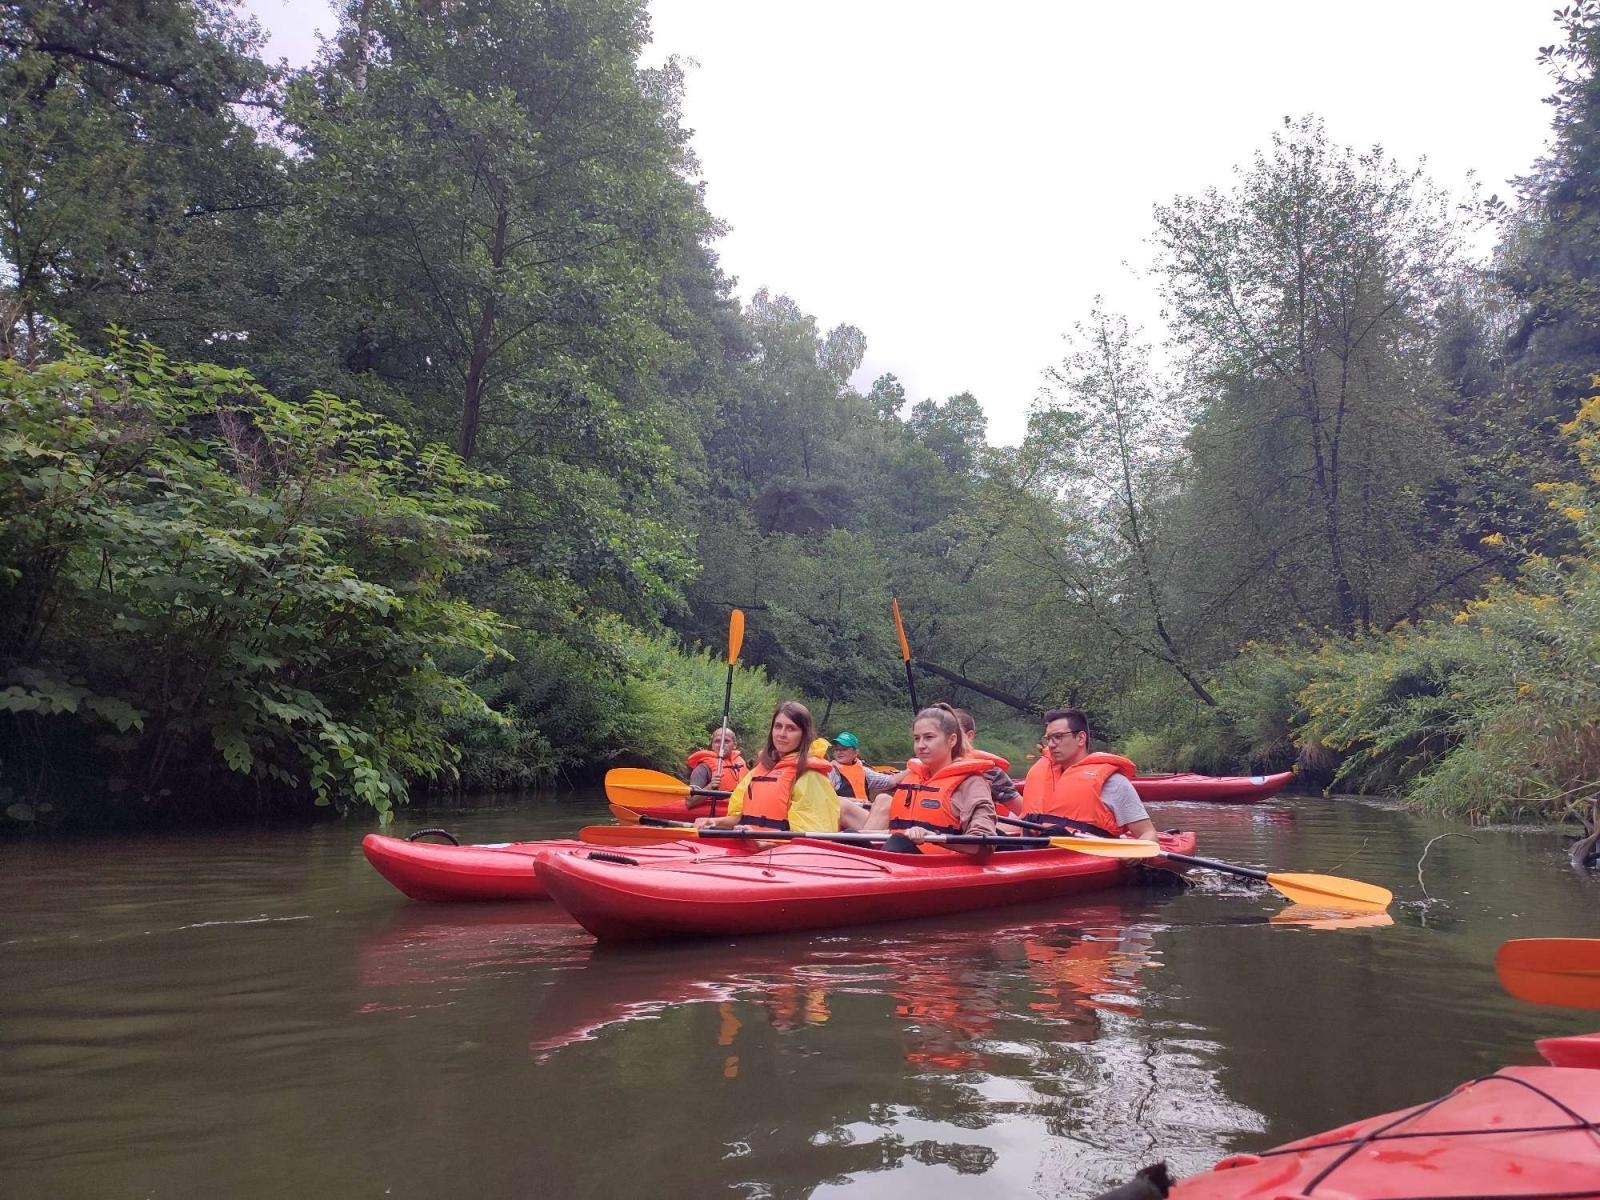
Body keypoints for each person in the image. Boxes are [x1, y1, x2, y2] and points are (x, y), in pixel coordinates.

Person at [863, 702, 996, 854]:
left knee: (898, 842)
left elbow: (984, 845)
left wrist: (934, 837)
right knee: (850, 836)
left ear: (951, 740)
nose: (920, 745)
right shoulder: (913, 776)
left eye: (929, 737)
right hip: (899, 863)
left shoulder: (971, 783)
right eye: (917, 738)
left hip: (942, 868)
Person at [695, 701, 839, 834]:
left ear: (803, 735)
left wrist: (763, 840)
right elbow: (740, 818)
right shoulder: (760, 769)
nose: (781, 734)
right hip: (751, 848)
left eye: (791, 728)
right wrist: (714, 821)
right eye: (778, 726)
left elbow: (810, 836)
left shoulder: (809, 775)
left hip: (780, 855)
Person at [1018, 708, 1155, 841]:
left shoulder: (1114, 782)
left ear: (1081, 738)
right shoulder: (1041, 774)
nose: (1051, 745)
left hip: (1082, 855)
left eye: (1058, 737)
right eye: (1048, 739)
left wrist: (1135, 854)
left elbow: (1148, 834)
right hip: (1032, 851)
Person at [953, 708, 1021, 809]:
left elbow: (1023, 813)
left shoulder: (991, 772)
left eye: (954, 733)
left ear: (969, 736)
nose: (949, 737)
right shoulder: (930, 767)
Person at [685, 728, 747, 811]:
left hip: (739, 810)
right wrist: (710, 786)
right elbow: (690, 802)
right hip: (717, 813)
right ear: (712, 745)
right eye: (717, 741)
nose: (721, 745)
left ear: (734, 745)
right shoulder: (702, 768)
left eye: (726, 741)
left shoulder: (740, 762)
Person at [828, 732, 869, 800]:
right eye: (836, 749)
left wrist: (893, 777)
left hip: (863, 808)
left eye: (844, 749)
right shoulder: (831, 770)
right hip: (842, 808)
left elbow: (889, 781)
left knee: (883, 798)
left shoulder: (865, 771)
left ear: (855, 752)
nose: (839, 752)